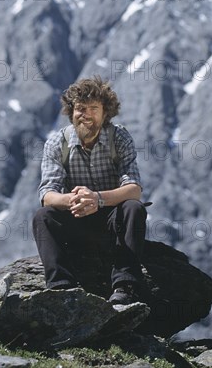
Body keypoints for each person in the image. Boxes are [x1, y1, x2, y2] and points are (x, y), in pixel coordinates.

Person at [32, 75, 147, 304]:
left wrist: (97, 199)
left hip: (113, 221)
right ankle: (60, 289)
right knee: (43, 216)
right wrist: (74, 200)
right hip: (76, 218)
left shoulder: (119, 138)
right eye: (80, 108)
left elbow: (133, 189)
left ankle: (125, 286)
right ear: (71, 112)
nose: (86, 114)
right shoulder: (57, 143)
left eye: (93, 108)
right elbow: (47, 195)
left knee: (134, 208)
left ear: (106, 113)